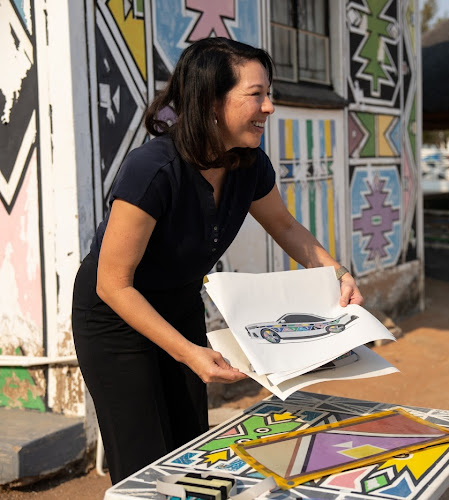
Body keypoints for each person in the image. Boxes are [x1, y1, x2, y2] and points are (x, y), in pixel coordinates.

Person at [72, 37, 362, 484]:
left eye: (270, 94)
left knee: (188, 446)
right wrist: (190, 353)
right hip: (116, 317)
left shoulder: (248, 163)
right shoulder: (153, 170)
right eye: (256, 95)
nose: (269, 107)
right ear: (211, 101)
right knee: (143, 459)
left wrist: (337, 272)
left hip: (179, 304)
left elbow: (284, 227)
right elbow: (113, 283)